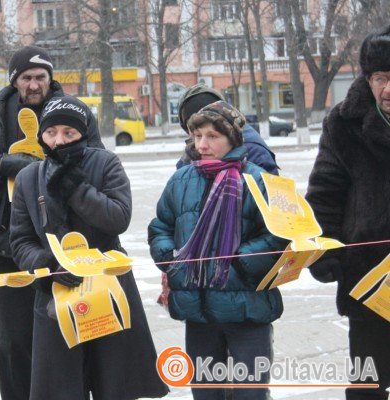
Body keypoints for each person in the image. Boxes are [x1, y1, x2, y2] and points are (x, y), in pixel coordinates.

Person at [0, 46, 103, 400]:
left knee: (71, 332)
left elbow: (98, 160)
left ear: (50, 78)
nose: (34, 84)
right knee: (15, 341)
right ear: (15, 80)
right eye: (27, 78)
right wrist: (6, 163)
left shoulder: (73, 111)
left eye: (40, 77)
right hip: (10, 242)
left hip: (68, 243)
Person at [10, 95, 169, 400]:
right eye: (51, 132)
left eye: (69, 133)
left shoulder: (106, 163)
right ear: (41, 135)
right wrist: (47, 265)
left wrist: (75, 187)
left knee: (114, 383)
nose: (59, 141)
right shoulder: (29, 178)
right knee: (61, 387)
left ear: (82, 133)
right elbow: (20, 240)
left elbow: (117, 218)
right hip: (55, 294)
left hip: (108, 290)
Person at [148, 101, 286, 400]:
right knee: (207, 393)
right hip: (199, 312)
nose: (202, 144)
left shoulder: (259, 181)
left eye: (212, 136)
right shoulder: (182, 179)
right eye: (197, 136)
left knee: (250, 394)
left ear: (233, 139)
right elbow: (160, 227)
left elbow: (278, 237)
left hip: (247, 309)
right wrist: (172, 259)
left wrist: (237, 262)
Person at [306, 25, 390, 400]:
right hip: (368, 279)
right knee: (367, 386)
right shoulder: (343, 123)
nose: (386, 90)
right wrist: (325, 252)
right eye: (379, 78)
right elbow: (324, 194)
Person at [176, 83, 279, 174]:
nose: (202, 146)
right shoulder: (188, 159)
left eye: (212, 135)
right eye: (197, 133)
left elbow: (271, 192)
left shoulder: (252, 151)